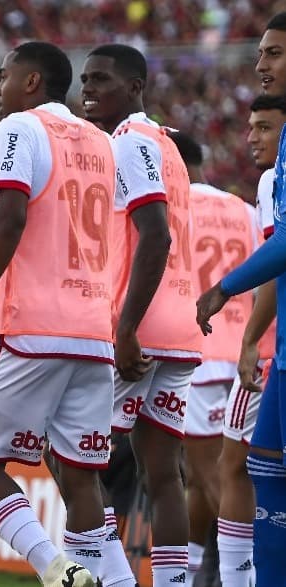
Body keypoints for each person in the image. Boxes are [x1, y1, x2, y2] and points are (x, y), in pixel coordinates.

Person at [0, 41, 116, 587]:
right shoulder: (99, 140)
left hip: (31, 328)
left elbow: (12, 219)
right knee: (82, 478)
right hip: (94, 333)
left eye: (4, 77)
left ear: (31, 82)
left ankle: (53, 568)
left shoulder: (20, 127)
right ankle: (106, 579)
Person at [81, 44, 202, 586]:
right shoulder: (167, 145)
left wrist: (125, 327)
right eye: (83, 78)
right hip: (182, 326)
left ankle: (114, 578)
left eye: (101, 79)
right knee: (163, 471)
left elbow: (155, 234)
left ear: (134, 86)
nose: (87, 89)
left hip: (140, 324)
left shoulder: (129, 142)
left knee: (73, 458)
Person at [196, 14, 286, 584]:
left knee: (234, 468)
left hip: (250, 351)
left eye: (275, 53)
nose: (261, 64)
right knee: (258, 475)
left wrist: (224, 289)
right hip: (272, 357)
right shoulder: (266, 177)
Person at [168, 130, 257, 586]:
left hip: (198, 351)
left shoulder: (174, 208)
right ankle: (197, 568)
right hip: (248, 353)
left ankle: (254, 571)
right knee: (210, 476)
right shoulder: (245, 209)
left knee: (210, 472)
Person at [215, 94, 283, 587]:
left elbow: (277, 269)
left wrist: (250, 341)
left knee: (235, 465)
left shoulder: (272, 178)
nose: (252, 137)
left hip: (270, 354)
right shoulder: (264, 183)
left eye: (264, 127)